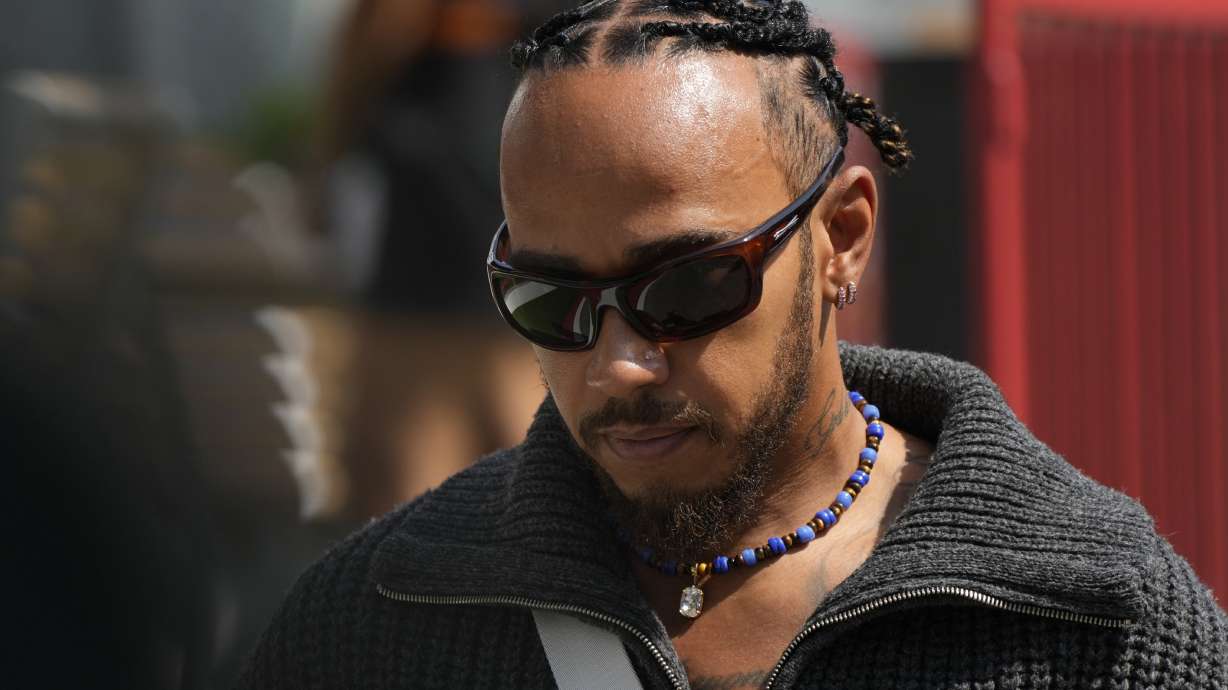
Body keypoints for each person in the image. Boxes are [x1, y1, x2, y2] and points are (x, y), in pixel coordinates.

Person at [239, 0, 1228, 687]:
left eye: (688, 286)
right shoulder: (379, 619)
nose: (619, 363)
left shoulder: (1100, 624)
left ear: (843, 238)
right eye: (551, 301)